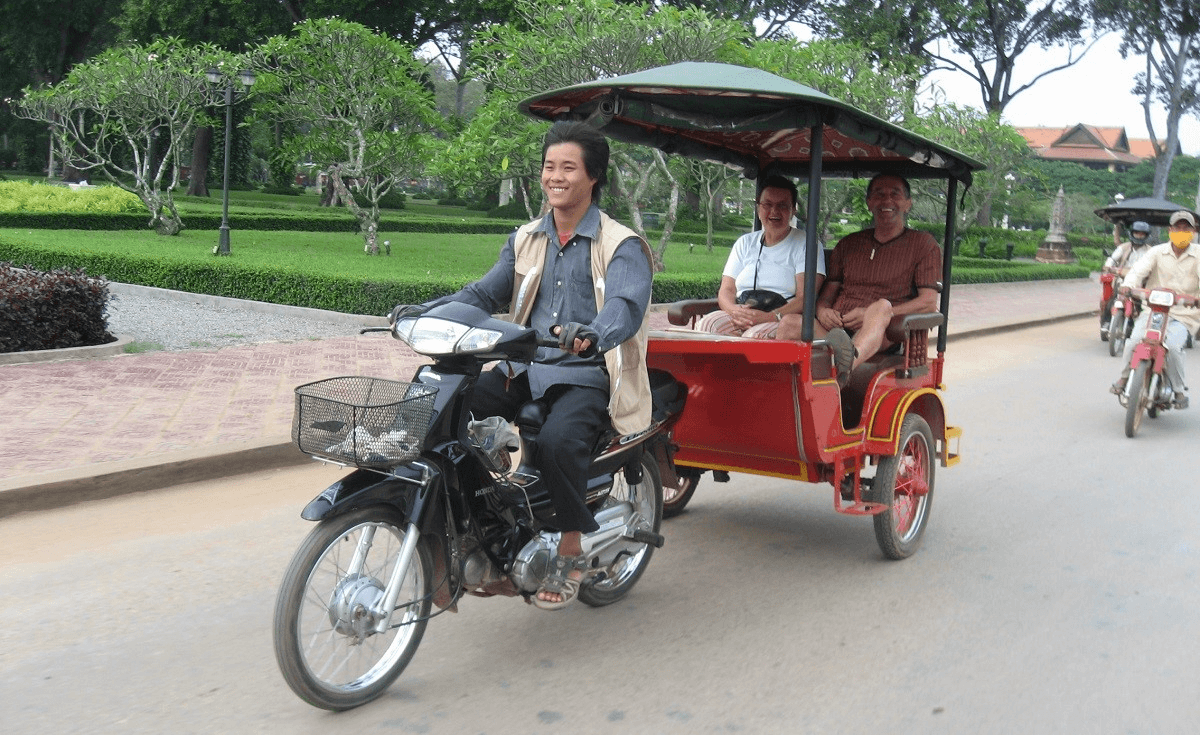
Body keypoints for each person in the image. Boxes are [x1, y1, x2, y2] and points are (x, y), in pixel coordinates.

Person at [394, 121, 654, 609]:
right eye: (549, 167)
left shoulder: (621, 244)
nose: (555, 176)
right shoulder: (526, 238)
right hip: (523, 369)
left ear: (593, 176)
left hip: (585, 375)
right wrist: (427, 310)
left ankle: (572, 548)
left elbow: (624, 304)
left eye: (568, 167)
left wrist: (595, 333)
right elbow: (485, 291)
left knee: (558, 442)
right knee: (444, 406)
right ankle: (475, 519)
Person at [778, 173, 941, 386]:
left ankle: (843, 370)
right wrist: (823, 311)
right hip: (835, 330)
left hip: (883, 331)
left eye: (895, 194)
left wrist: (869, 314)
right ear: (869, 202)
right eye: (879, 195)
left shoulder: (923, 244)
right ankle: (778, 389)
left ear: (908, 204)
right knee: (790, 322)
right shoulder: (848, 244)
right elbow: (827, 295)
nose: (887, 201)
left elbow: (928, 302)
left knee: (881, 307)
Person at [696, 175, 824, 337]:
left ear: (793, 210)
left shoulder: (806, 244)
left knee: (753, 337)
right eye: (767, 204)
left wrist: (770, 316)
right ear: (758, 207)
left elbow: (805, 298)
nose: (774, 211)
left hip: (780, 317)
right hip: (742, 311)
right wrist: (734, 310)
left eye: (782, 206)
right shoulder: (745, 242)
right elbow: (727, 289)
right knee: (708, 325)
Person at [1109, 210, 1200, 409]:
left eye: (1187, 228)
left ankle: (1178, 390)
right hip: (1154, 311)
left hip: (1184, 315)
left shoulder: (1198, 255)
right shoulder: (1156, 252)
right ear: (1170, 230)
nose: (1182, 231)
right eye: (1178, 227)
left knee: (1174, 347)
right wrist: (1128, 285)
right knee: (1133, 340)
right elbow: (1137, 271)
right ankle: (1124, 379)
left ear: (1193, 232)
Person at [1100, 220, 1153, 330]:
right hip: (1122, 280)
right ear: (1132, 233)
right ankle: (1106, 322)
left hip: (1141, 282)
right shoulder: (1124, 247)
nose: (1139, 235)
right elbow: (1113, 259)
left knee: (1146, 304)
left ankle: (1143, 325)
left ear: (1146, 235)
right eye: (1137, 233)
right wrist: (1108, 266)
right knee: (1111, 299)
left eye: (1142, 233)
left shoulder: (1151, 251)